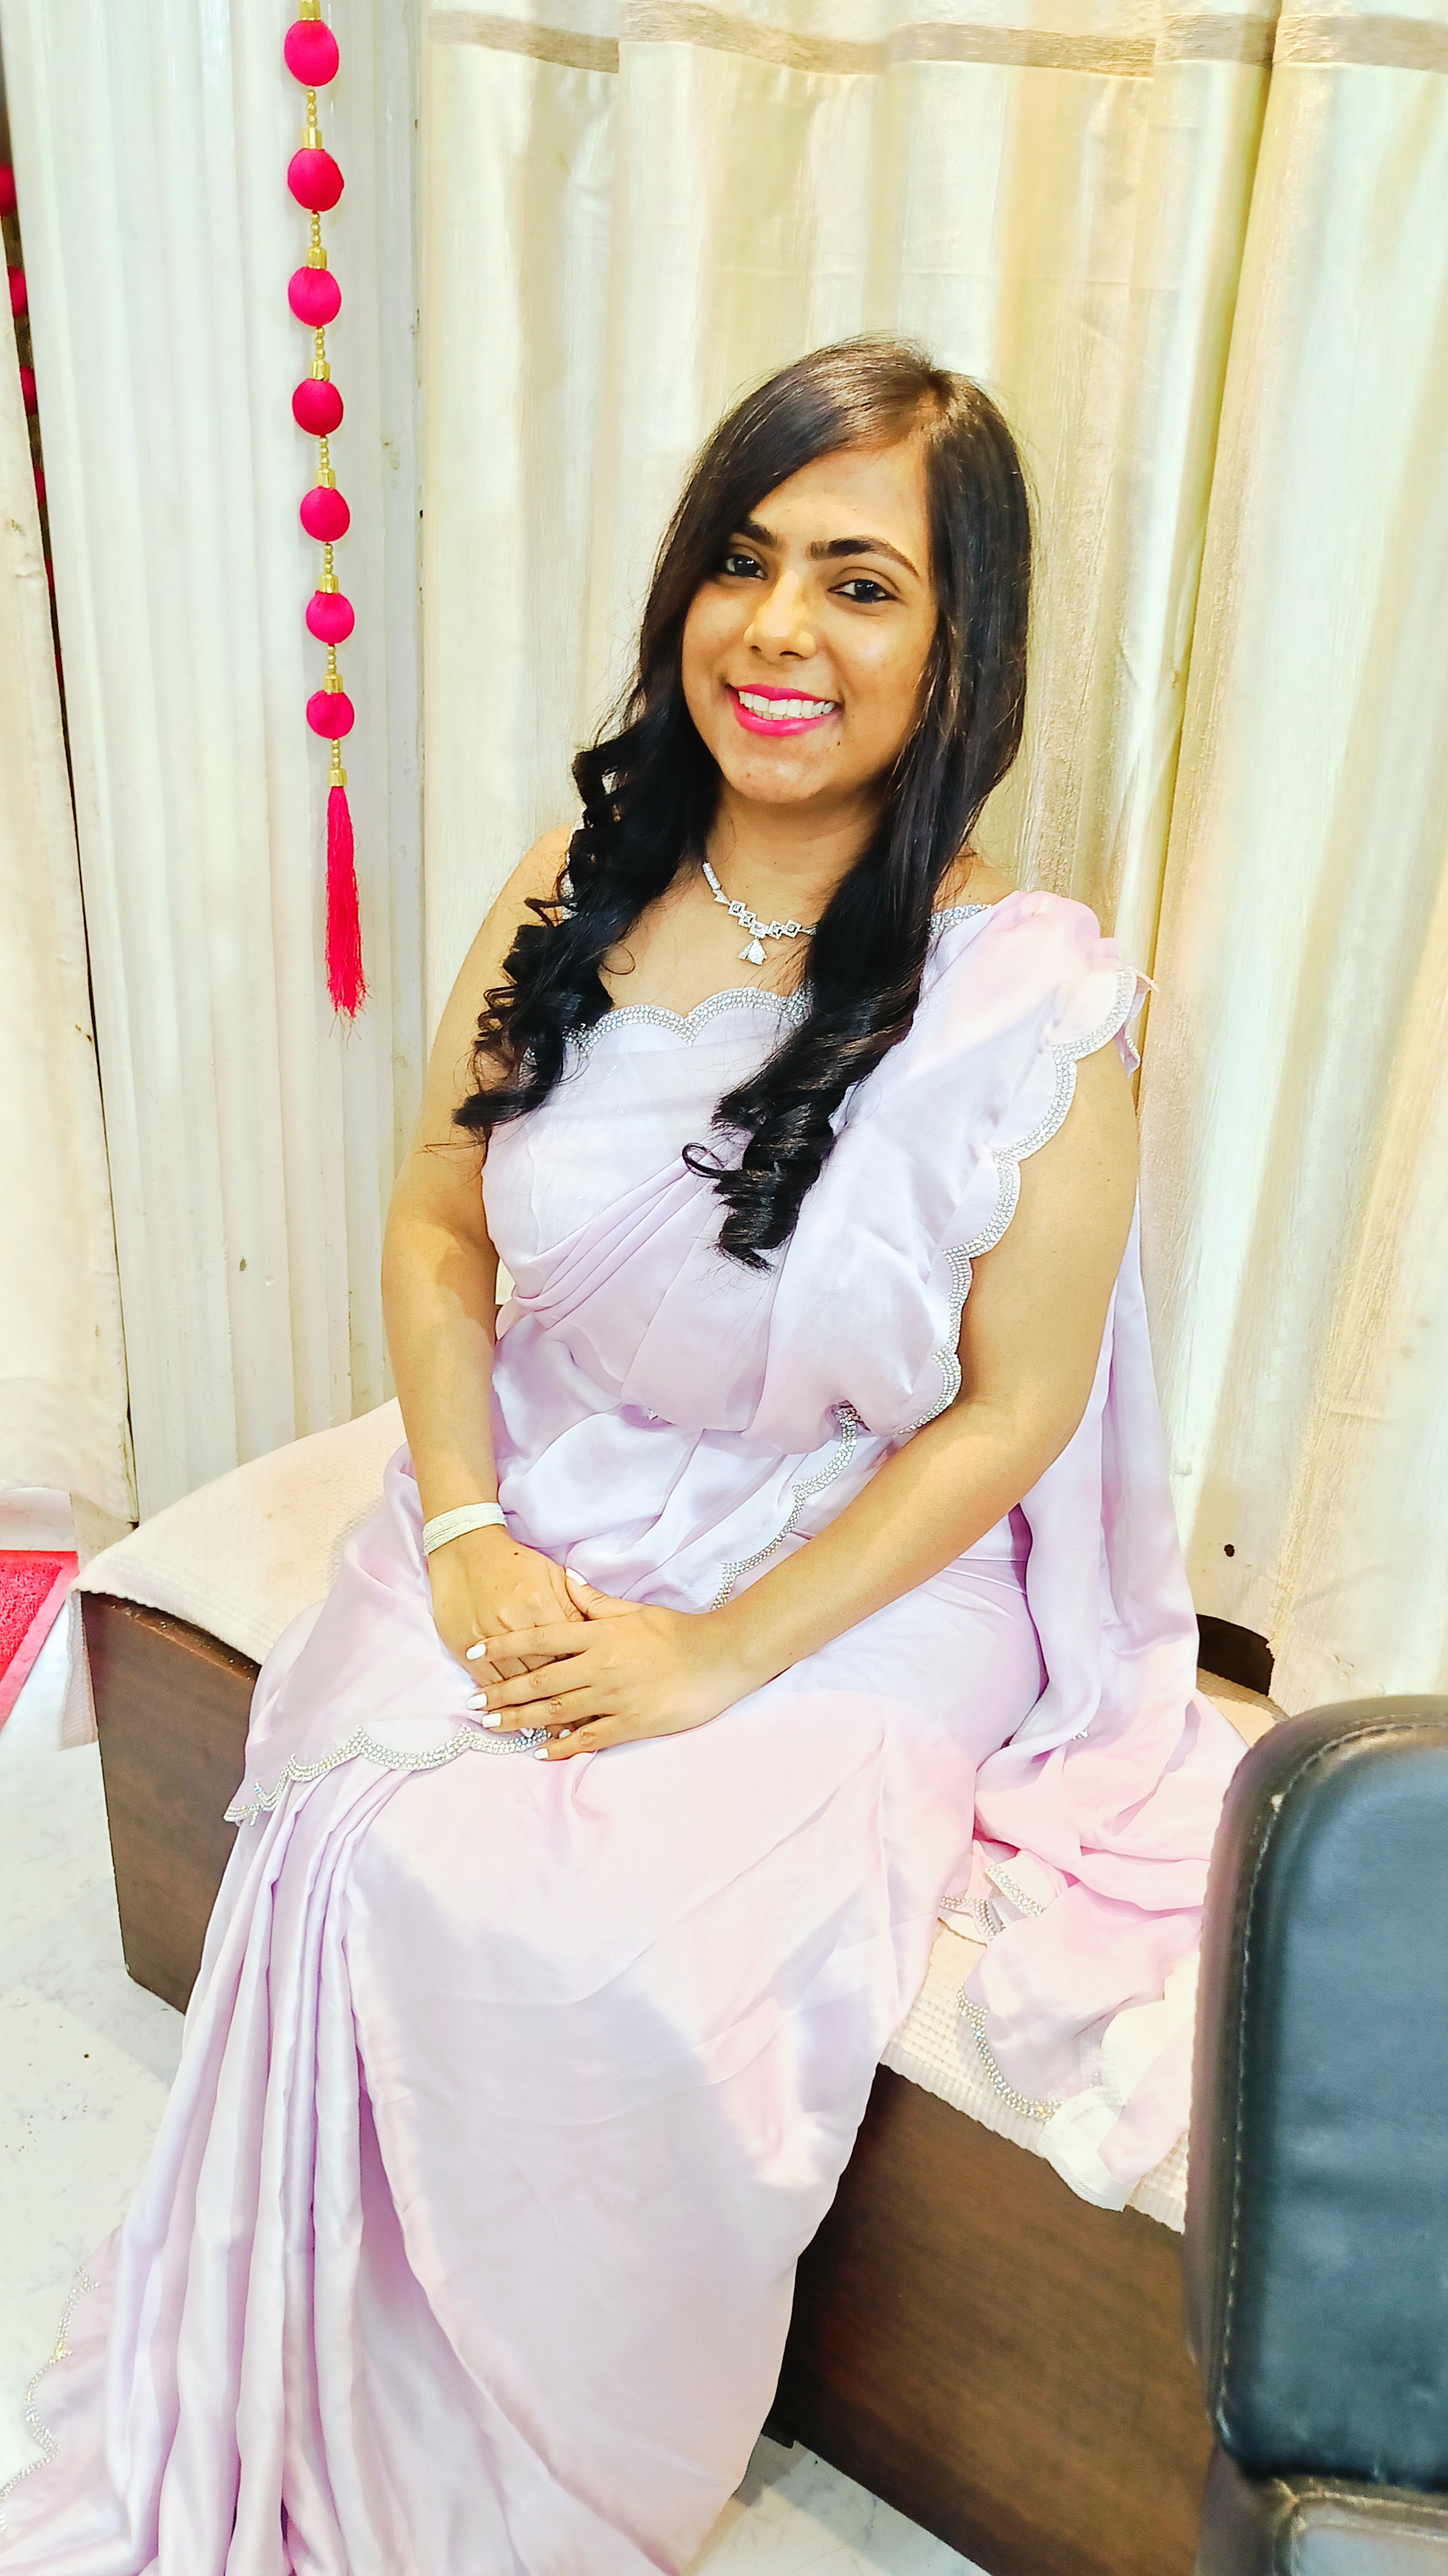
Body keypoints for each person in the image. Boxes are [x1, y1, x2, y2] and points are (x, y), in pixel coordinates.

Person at [1, 340, 1242, 2575]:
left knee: (608, 1961)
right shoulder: (574, 886)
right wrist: (465, 1530)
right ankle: (325, 2369)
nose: (781, 630)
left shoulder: (1027, 1004)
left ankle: (548, 2470)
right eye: (743, 562)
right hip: (552, 1478)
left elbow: (1013, 1413)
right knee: (367, 1837)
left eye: (861, 582)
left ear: (957, 646)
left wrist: (718, 1657)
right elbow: (435, 1220)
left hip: (855, 1563)